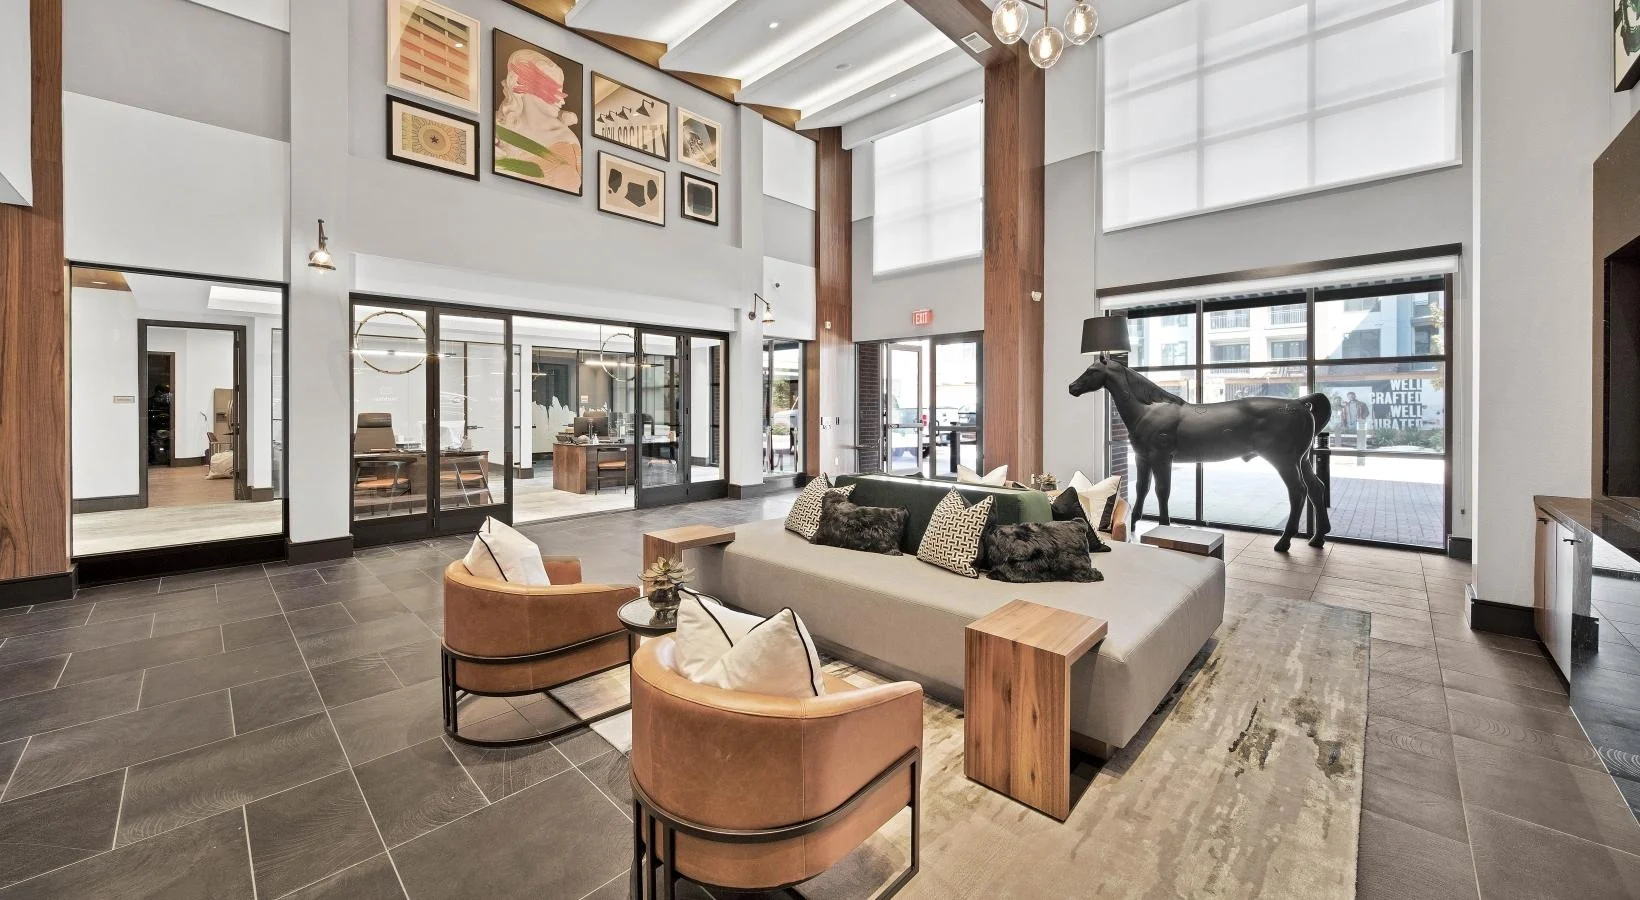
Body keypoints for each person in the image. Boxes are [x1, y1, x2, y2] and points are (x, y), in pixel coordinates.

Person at [494, 48, 581, 193]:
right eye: (553, 89)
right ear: (518, 82)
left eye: (561, 90)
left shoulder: (567, 141)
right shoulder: (494, 127)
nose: (562, 99)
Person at [1342, 391, 1371, 462]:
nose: (1351, 397)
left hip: (1359, 423)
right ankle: (1352, 456)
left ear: (1355, 396)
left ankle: (1361, 454)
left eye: (1352, 396)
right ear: (1347, 397)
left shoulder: (1361, 404)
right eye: (1349, 396)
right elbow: (1343, 415)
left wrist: (1361, 417)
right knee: (1351, 438)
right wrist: (1344, 424)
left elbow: (1367, 412)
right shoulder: (1346, 405)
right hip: (1350, 423)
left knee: (1360, 437)